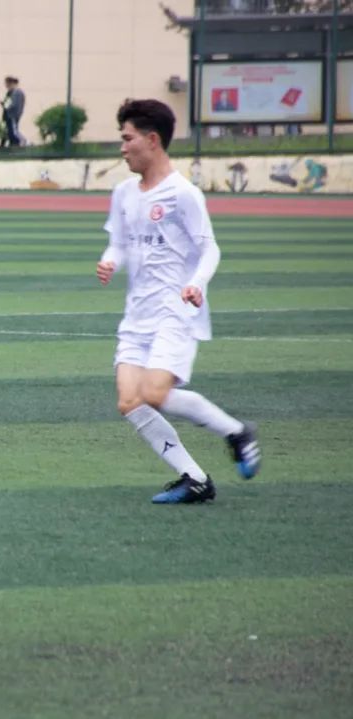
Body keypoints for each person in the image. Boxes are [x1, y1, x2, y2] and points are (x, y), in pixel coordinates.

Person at [96, 99, 261, 504]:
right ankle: (195, 478)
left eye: (128, 139)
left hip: (176, 310)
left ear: (152, 140)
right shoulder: (123, 192)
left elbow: (210, 248)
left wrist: (197, 283)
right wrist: (109, 261)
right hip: (137, 314)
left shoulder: (183, 193)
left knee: (153, 393)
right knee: (130, 401)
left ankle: (237, 432)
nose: (122, 147)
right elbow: (119, 242)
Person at [2, 76, 25, 147]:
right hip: (13, 114)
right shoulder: (14, 92)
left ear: (11, 83)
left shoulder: (16, 92)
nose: (6, 85)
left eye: (6, 83)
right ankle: (15, 143)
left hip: (13, 114)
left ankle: (23, 140)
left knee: (14, 130)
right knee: (12, 130)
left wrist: (5, 105)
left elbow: (13, 104)